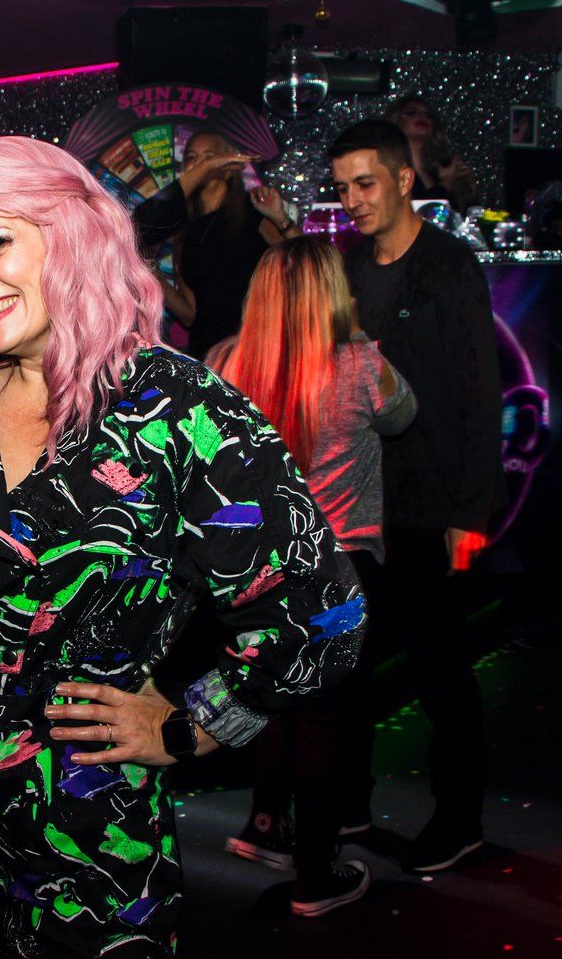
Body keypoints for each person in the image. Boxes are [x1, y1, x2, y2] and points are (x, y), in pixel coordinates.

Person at [0, 135, 365, 956]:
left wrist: (192, 727)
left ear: (73, 235)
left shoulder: (174, 406)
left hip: (83, 829)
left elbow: (322, 611)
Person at [215, 237, 416, 915]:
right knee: (327, 720)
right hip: (336, 572)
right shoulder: (359, 364)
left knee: (278, 696)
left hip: (257, 571)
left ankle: (265, 823)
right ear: (330, 295)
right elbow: (405, 415)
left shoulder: (226, 362)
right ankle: (315, 875)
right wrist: (355, 332)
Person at [329, 119, 506, 873]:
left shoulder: (448, 265)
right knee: (349, 661)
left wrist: (470, 513)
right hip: (359, 504)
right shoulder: (345, 264)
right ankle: (347, 805)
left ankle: (460, 818)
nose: (353, 200)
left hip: (430, 502)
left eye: (365, 183)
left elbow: (479, 392)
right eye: (343, 187)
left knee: (440, 667)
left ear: (405, 179)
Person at [132, 129, 301, 359]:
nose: (202, 164)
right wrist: (150, 274)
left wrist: (282, 220)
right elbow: (190, 313)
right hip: (209, 357)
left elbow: (307, 260)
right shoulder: (185, 230)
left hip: (255, 351)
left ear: (229, 166)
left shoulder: (253, 212)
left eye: (210, 157)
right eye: (192, 157)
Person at [385, 95, 479, 213]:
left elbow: (462, 217)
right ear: (395, 121)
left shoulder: (440, 169)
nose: (422, 116)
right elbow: (422, 216)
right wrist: (446, 184)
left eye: (428, 115)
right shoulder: (389, 171)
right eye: (412, 113)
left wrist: (468, 189)